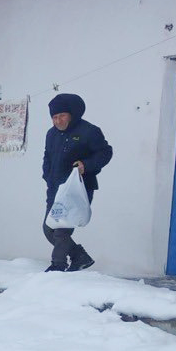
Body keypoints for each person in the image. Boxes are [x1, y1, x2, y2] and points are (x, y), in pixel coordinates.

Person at [41, 92, 112, 272]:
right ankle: (79, 257)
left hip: (78, 188)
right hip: (56, 189)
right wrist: (47, 176)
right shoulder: (51, 134)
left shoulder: (89, 131)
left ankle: (58, 265)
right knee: (49, 228)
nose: (58, 121)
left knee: (62, 229)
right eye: (54, 117)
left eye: (62, 116)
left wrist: (86, 165)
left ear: (72, 114)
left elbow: (105, 152)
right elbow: (47, 157)